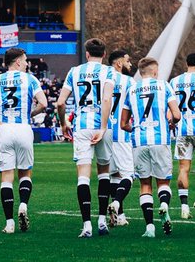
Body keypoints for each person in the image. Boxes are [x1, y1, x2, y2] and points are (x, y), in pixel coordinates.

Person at [0, 47, 48, 233]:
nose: (27, 63)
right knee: (25, 173)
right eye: (25, 60)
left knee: (6, 177)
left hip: (5, 130)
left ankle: (9, 223)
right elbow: (43, 103)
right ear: (18, 61)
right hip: (23, 128)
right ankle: (23, 205)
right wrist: (30, 113)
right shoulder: (30, 79)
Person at [55, 38, 114, 238]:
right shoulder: (108, 71)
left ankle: (87, 225)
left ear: (87, 54)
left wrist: (63, 124)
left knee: (83, 176)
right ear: (104, 54)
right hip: (102, 126)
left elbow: (60, 103)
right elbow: (106, 99)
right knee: (104, 172)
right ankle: (102, 221)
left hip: (81, 127)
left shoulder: (74, 71)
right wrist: (103, 127)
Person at [120, 56, 180, 239]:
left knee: (145, 184)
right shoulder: (164, 86)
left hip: (139, 141)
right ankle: (164, 205)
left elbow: (123, 123)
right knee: (163, 182)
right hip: (160, 140)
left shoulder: (131, 89)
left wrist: (136, 129)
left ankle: (150, 228)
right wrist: (171, 122)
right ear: (154, 71)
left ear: (140, 72)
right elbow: (177, 115)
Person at [170, 51, 195, 219]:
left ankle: (184, 207)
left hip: (182, 129)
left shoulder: (175, 81)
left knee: (183, 168)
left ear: (187, 64)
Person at [105, 48, 135, 228]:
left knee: (114, 175)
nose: (130, 64)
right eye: (127, 61)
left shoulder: (103, 79)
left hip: (105, 134)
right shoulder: (129, 81)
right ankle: (116, 203)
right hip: (122, 134)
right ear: (119, 63)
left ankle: (120, 216)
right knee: (129, 175)